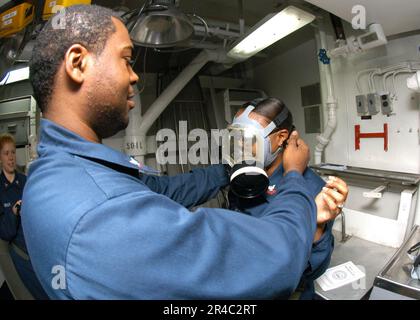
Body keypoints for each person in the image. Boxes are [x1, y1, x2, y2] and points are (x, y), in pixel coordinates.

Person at [24, 4, 328, 299]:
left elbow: (163, 189)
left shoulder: (56, 172)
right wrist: (293, 176)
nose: (135, 76)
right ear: (78, 63)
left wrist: (229, 170)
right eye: (127, 60)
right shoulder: (101, 214)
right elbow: (272, 259)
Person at [226, 98, 348, 299]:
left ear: (281, 137)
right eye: (237, 137)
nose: (240, 146)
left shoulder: (312, 189)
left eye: (248, 138)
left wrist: (317, 227)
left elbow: (311, 270)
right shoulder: (244, 175)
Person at [0, 133, 49, 299]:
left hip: (35, 245)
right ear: (0, 158)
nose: (11, 157)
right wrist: (14, 213)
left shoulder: (26, 180)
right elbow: (5, 232)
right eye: (6, 153)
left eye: (13, 152)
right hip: (19, 250)